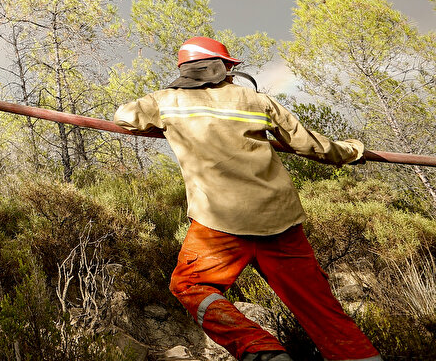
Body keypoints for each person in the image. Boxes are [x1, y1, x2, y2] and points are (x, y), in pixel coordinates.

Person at [114, 36, 381, 361]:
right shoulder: (255, 100)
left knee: (190, 286)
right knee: (321, 310)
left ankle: (261, 352)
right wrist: (353, 151)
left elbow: (124, 116)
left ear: (186, 71)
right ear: (224, 67)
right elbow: (312, 145)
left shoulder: (167, 101)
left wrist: (166, 124)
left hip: (218, 224)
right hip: (279, 220)